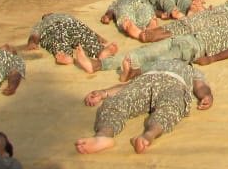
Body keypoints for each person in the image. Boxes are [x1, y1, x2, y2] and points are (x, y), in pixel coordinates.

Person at [76, 58, 213, 154]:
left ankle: (147, 136)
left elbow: (201, 86)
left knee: (171, 107)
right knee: (117, 101)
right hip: (146, 81)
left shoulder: (192, 70)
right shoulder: (154, 64)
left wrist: (206, 96)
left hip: (175, 84)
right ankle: (103, 136)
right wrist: (104, 93)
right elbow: (128, 85)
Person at [119, 26, 228, 78]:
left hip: (194, 46)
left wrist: (211, 59)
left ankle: (134, 73)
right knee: (146, 52)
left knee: (163, 60)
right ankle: (102, 64)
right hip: (185, 39)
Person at [24, 12, 117, 73]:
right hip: (62, 26)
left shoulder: (62, 17)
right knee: (76, 36)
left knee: (77, 37)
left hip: (63, 26)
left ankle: (98, 51)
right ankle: (97, 51)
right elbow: (35, 35)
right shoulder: (45, 21)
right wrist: (32, 43)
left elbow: (83, 27)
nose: (47, 14)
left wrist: (98, 37)